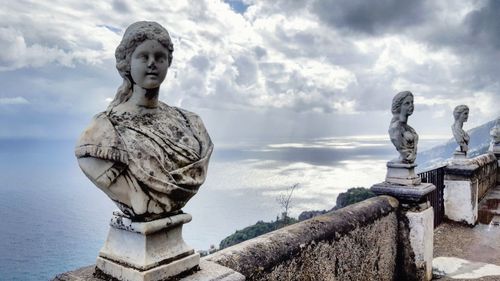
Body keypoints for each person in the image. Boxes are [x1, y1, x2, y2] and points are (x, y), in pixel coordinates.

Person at [75, 21, 213, 221]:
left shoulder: (192, 124)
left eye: (159, 57)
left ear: (168, 62)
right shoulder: (103, 130)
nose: (152, 63)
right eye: (143, 56)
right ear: (127, 63)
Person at [388, 91, 418, 164]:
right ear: (399, 106)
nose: (411, 105)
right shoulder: (395, 128)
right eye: (407, 103)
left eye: (412, 102)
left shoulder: (410, 129)